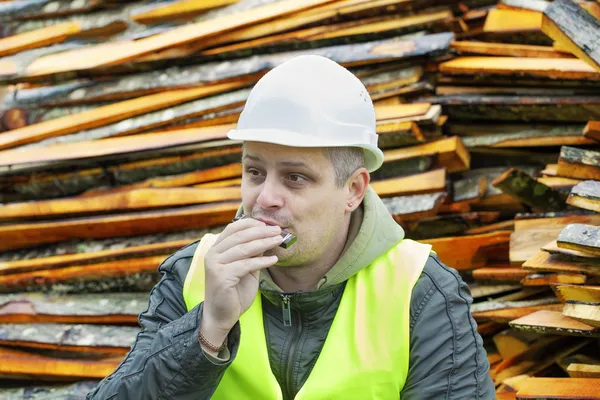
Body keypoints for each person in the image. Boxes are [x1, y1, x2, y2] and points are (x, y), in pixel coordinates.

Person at [87, 55, 495, 399]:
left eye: (295, 178)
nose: (265, 198)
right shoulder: (192, 273)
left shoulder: (421, 290)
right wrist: (208, 328)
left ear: (353, 190)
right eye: (254, 171)